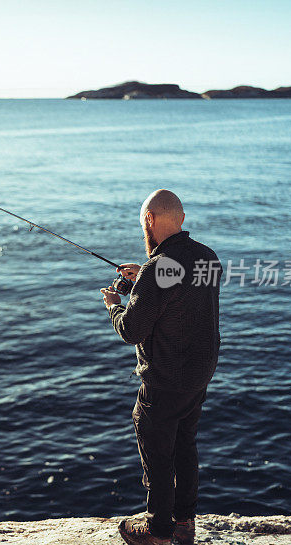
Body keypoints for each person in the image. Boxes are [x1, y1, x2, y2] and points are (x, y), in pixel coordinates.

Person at [100, 189, 222, 545]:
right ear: (181, 220)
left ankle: (157, 531)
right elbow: (183, 296)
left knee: (157, 455)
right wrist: (145, 279)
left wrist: (113, 306)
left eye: (144, 224)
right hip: (198, 376)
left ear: (149, 221)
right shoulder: (208, 258)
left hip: (165, 380)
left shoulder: (157, 269)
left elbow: (132, 329)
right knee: (185, 447)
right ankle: (184, 524)